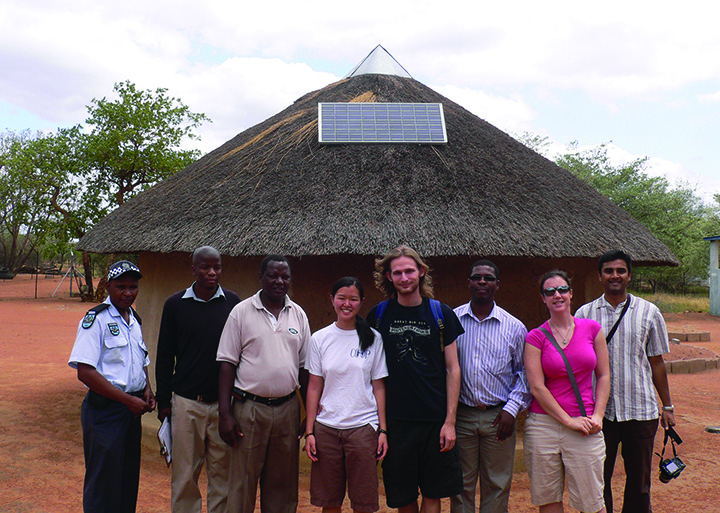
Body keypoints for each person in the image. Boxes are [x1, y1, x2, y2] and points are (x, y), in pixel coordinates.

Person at [575, 250, 676, 513]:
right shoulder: (584, 314)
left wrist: (667, 407)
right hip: (599, 413)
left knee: (640, 481)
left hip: (640, 409)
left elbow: (656, 363)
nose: (614, 276)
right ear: (599, 276)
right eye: (608, 271)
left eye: (620, 270)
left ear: (629, 275)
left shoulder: (649, 312)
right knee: (598, 479)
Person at [367, 245, 465, 513]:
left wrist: (450, 422)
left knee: (433, 493)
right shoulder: (378, 315)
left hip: (434, 419)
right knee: (403, 496)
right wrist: (381, 427)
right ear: (389, 277)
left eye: (409, 271)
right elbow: (370, 372)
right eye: (397, 273)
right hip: (397, 422)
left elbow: (453, 369)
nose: (404, 277)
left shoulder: (441, 314)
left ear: (421, 272)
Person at [216, 254, 311, 513]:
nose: (279, 281)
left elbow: (305, 368)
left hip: (287, 409)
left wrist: (309, 414)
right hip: (249, 409)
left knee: (283, 485)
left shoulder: (298, 315)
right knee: (242, 483)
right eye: (273, 276)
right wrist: (224, 414)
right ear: (261, 278)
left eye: (285, 276)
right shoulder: (241, 312)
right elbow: (227, 364)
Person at [155, 246, 241, 513]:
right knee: (184, 478)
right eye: (205, 267)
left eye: (217, 267)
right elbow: (165, 356)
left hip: (223, 406)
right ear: (193, 269)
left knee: (223, 477)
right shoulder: (175, 305)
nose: (212, 273)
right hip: (186, 404)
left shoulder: (233, 303)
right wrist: (164, 402)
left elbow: (241, 352)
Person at [68, 260, 156, 513]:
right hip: (106, 413)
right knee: (103, 481)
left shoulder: (134, 319)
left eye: (133, 286)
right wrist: (126, 400)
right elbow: (85, 372)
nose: (128, 292)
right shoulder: (96, 320)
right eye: (121, 287)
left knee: (127, 479)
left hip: (131, 411)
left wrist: (146, 389)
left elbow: (141, 359)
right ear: (108, 286)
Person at [524, 269, 610, 513]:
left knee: (592, 501)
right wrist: (567, 421)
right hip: (544, 424)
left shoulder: (592, 329)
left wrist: (598, 415)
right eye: (550, 291)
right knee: (549, 499)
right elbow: (537, 387)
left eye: (562, 289)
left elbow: (603, 375)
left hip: (585, 422)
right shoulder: (535, 337)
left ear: (571, 294)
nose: (557, 295)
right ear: (543, 298)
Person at [450, 260, 531, 513]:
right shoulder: (452, 320)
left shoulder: (514, 327)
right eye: (476, 277)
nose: (482, 282)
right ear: (469, 283)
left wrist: (512, 409)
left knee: (497, 483)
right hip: (461, 416)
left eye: (488, 278)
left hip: (499, 417)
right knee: (460, 484)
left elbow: (524, 374)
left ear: (497, 284)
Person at [304, 277, 389, 513]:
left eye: (353, 299)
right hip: (327, 428)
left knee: (363, 502)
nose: (346, 304)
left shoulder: (373, 338)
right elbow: (313, 386)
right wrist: (310, 431)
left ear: (361, 302)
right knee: (329, 502)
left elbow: (379, 386)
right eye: (341, 298)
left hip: (363, 427)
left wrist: (382, 429)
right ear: (332, 300)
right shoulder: (319, 339)